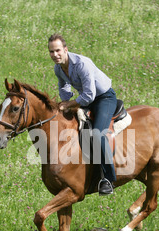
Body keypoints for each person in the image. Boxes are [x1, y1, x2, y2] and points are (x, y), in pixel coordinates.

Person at [48, 33, 117, 195]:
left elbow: (89, 95)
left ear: (65, 49)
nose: (55, 55)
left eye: (58, 50)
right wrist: (65, 103)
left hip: (103, 98)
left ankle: (109, 178)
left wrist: (70, 104)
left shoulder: (81, 64)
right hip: (86, 99)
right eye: (51, 52)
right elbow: (64, 88)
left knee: (97, 134)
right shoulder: (58, 68)